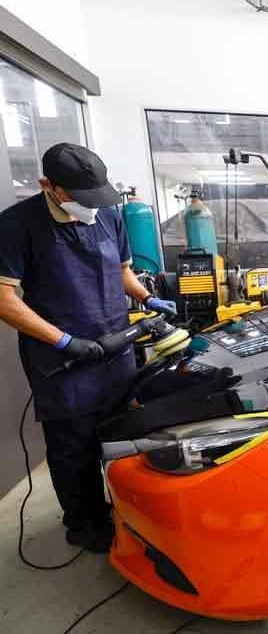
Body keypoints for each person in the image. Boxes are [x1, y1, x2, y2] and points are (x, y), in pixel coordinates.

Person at [0, 144, 176, 553]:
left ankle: (123, 510)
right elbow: (5, 298)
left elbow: (122, 272)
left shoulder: (109, 216)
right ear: (50, 187)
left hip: (114, 349)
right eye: (82, 198)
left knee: (120, 436)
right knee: (74, 448)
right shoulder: (16, 225)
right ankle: (84, 524)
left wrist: (147, 299)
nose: (91, 207)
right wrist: (63, 341)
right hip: (60, 358)